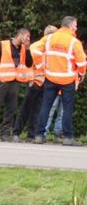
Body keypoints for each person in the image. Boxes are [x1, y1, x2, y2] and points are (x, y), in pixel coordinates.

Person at [33, 16, 86, 146]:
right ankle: (67, 137)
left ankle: (39, 135)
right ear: (70, 26)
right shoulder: (74, 42)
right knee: (67, 109)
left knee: (46, 106)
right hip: (67, 79)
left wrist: (41, 67)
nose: (76, 28)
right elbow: (82, 62)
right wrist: (81, 74)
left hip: (50, 77)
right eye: (75, 25)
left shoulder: (50, 38)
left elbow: (34, 50)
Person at [14, 25, 57, 141]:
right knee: (26, 108)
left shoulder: (49, 48)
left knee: (37, 110)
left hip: (44, 82)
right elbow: (29, 65)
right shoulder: (36, 46)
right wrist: (31, 80)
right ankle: (16, 132)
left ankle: (31, 134)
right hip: (34, 82)